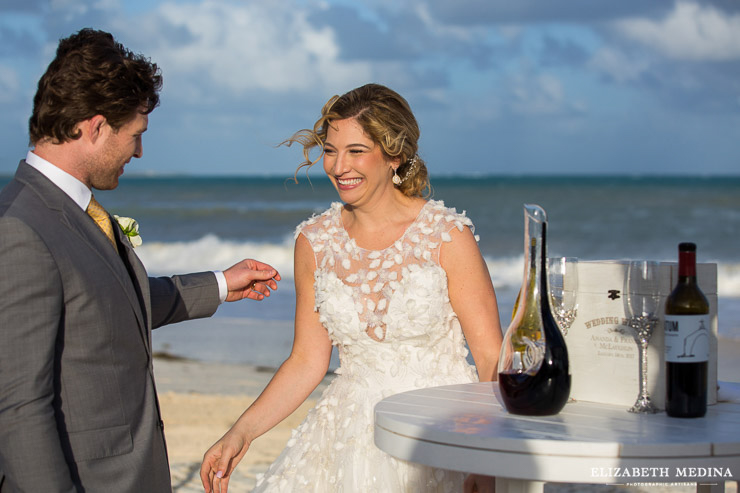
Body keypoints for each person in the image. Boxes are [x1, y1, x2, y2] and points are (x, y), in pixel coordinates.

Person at [0, 29, 281, 493]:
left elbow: (109, 303)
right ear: (94, 127)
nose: (140, 151)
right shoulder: (20, 229)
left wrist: (220, 284)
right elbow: (18, 408)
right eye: (135, 135)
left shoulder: (71, 210)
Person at [200, 83, 502, 493]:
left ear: (394, 155)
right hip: (346, 434)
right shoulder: (314, 241)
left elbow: (490, 358)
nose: (338, 166)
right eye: (329, 150)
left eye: (356, 151)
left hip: (440, 431)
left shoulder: (446, 236)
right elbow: (307, 361)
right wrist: (241, 433)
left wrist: (485, 457)